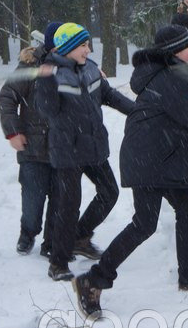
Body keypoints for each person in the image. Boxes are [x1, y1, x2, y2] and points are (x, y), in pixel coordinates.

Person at [73, 24, 188, 316]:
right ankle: (93, 280)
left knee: (186, 209)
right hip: (148, 159)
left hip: (159, 157)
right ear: (173, 52)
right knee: (144, 223)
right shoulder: (169, 80)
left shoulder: (174, 75)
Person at [35, 22, 135, 281]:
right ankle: (58, 263)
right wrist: (46, 82)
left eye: (88, 44)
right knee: (68, 206)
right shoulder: (51, 74)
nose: (89, 50)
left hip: (93, 146)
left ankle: (80, 235)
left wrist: (139, 112)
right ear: (68, 48)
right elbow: (48, 111)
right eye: (83, 45)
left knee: (110, 192)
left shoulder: (90, 69)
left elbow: (110, 96)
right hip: (67, 151)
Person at [0, 22, 61, 256]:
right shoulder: (31, 66)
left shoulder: (75, 67)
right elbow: (7, 97)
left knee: (61, 200)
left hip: (63, 148)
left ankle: (52, 243)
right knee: (33, 200)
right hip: (33, 147)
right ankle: (28, 232)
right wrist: (13, 132)